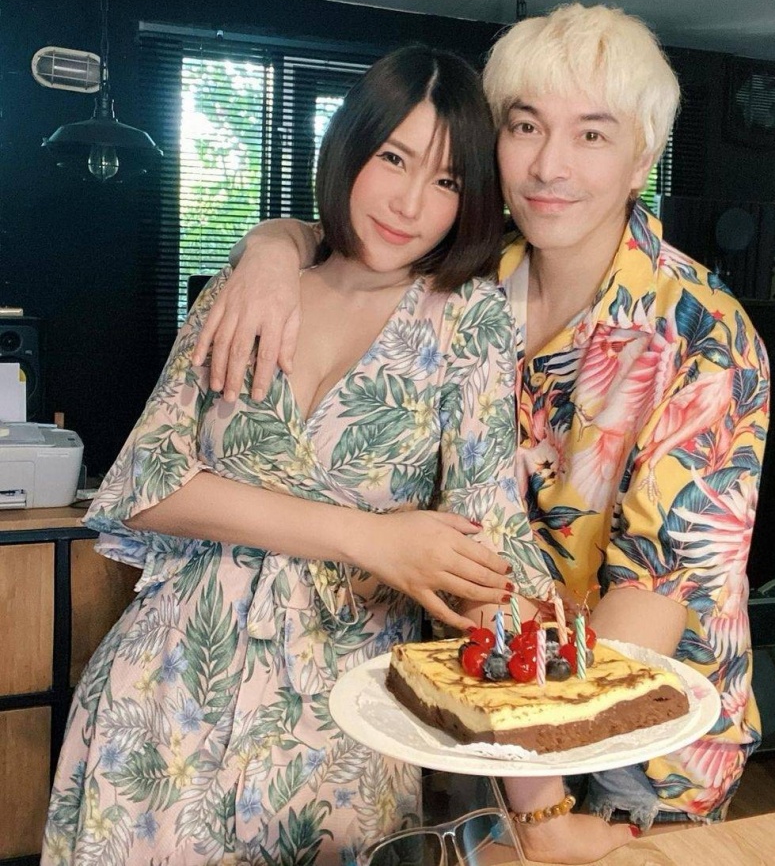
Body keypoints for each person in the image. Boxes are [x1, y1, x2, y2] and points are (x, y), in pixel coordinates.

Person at [197, 3, 771, 863]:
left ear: (641, 158)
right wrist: (270, 248)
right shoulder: (465, 276)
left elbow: (646, 605)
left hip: (626, 745)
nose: (547, 166)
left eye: (591, 134)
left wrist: (541, 810)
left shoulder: (702, 336)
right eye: (524, 126)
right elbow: (348, 235)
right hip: (468, 713)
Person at [41, 45, 556, 866]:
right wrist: (367, 535)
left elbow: (485, 535)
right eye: (393, 158)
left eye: (447, 180)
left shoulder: (470, 320)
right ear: (350, 146)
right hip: (162, 698)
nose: (410, 202)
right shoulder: (246, 287)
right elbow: (145, 483)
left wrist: (543, 797)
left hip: (339, 730)